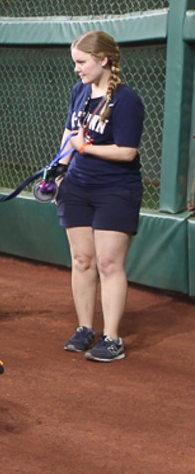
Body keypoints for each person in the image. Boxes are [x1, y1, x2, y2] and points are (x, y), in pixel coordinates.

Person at [56, 30, 145, 363]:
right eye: (75, 62)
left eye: (81, 62)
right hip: (77, 186)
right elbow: (69, 133)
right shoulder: (80, 91)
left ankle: (112, 337)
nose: (77, 69)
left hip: (115, 189)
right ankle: (84, 329)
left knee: (109, 264)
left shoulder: (126, 99)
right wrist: (59, 169)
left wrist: (85, 148)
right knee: (82, 260)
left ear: (103, 59)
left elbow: (127, 151)